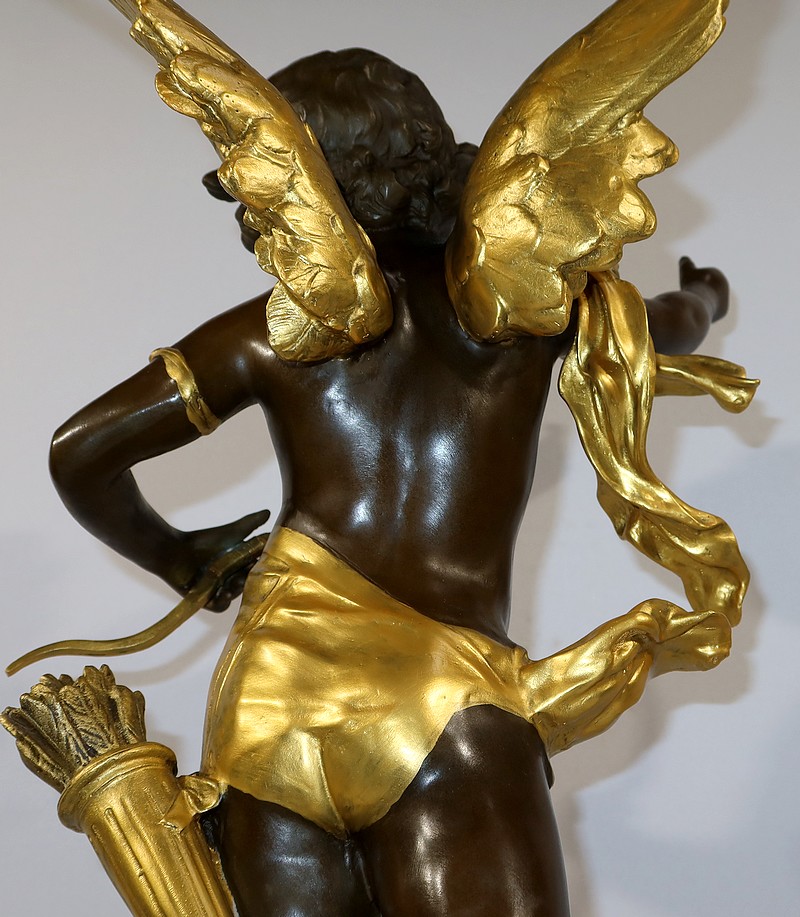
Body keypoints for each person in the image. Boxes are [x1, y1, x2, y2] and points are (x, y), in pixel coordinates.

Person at [48, 50, 731, 917]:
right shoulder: (527, 312)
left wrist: (182, 558)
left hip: (271, 706)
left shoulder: (279, 330)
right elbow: (666, 327)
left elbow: (79, 453)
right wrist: (706, 297)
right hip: (440, 700)